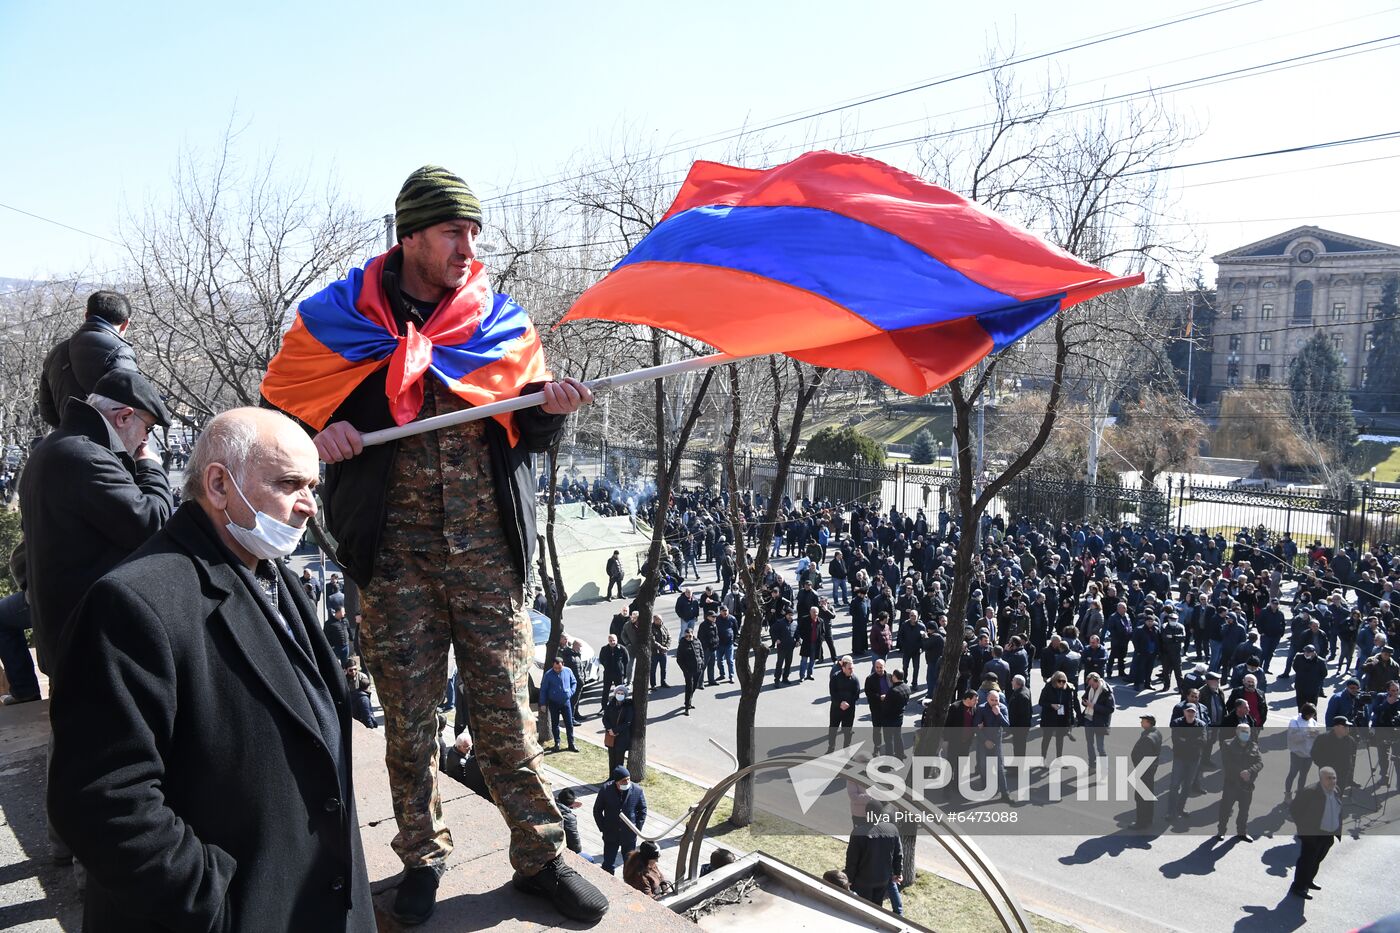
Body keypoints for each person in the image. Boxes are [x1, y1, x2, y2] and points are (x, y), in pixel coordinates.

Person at [260, 165, 604, 925]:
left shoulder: (497, 319)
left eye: (474, 233)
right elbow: (278, 417)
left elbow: (527, 429)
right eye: (454, 231)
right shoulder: (338, 321)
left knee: (508, 714)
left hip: (488, 557)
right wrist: (320, 436)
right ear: (409, 234)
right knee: (410, 720)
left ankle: (541, 855)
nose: (467, 246)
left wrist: (552, 410)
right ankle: (421, 855)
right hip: (395, 562)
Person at [47, 408, 374, 932]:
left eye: (313, 484)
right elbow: (103, 801)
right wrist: (219, 908)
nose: (309, 505)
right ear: (219, 484)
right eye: (290, 483)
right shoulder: (133, 603)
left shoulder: (271, 575)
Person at [18, 369, 173, 678]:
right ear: (125, 417)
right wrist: (150, 468)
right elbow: (153, 523)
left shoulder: (56, 447)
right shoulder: (87, 457)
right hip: (90, 645)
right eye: (148, 428)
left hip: (69, 634)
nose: (145, 439)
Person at [37, 290, 140, 428]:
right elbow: (134, 406)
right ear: (126, 323)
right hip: (106, 445)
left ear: (86, 315)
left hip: (67, 441)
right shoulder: (120, 351)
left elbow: (47, 412)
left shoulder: (56, 352)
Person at [1289, 767, 1343, 900]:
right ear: (1321, 779)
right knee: (1307, 860)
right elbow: (1295, 810)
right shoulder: (1310, 792)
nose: (1332, 781)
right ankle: (1298, 886)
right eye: (1328, 778)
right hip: (1314, 834)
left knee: (1317, 859)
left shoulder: (1336, 791)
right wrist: (1304, 830)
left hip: (1328, 834)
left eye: (1334, 778)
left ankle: (1308, 880)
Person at [844, 803, 903, 914]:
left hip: (862, 881)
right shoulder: (892, 829)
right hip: (883, 879)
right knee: (876, 909)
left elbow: (852, 859)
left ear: (866, 814)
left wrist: (849, 878)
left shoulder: (858, 832)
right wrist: (898, 872)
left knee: (861, 911)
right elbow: (898, 854)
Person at [594, 766, 647, 876]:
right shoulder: (606, 790)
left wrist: (636, 828)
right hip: (611, 834)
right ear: (616, 782)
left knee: (629, 864)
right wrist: (603, 827)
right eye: (623, 780)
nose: (627, 782)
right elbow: (597, 810)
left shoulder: (637, 790)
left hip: (629, 835)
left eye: (628, 779)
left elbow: (642, 810)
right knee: (608, 863)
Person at [1215, 722, 1263, 842]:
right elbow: (1227, 762)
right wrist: (1242, 772)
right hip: (1232, 783)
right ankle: (1221, 831)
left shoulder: (1254, 745)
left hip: (1247, 784)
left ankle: (1242, 832)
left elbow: (1259, 763)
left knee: (1244, 810)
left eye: (1247, 732)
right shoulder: (1227, 744)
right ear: (1237, 732)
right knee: (1225, 808)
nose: (1245, 734)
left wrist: (1249, 772)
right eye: (1243, 732)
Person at [1167, 705, 1208, 820]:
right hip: (1180, 758)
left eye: (1193, 711)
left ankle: (1180, 808)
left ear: (1195, 713)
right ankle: (1171, 811)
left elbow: (1203, 741)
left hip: (1194, 759)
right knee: (1174, 785)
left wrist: (1185, 740)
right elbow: (1176, 740)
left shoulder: (1201, 724)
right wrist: (1194, 741)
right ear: (1184, 712)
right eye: (1188, 711)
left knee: (1187, 785)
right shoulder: (1177, 723)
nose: (1190, 713)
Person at [1131, 715, 1163, 829]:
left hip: (1144, 771)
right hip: (1151, 770)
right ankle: (1149, 818)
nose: (1141, 723)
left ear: (1149, 723)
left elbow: (1143, 758)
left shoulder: (1147, 738)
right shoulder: (1157, 733)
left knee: (1141, 798)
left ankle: (1141, 822)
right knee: (1148, 795)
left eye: (1143, 721)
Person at [540, 657, 578, 752]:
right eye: (555, 668)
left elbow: (574, 682)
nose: (557, 670)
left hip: (565, 702)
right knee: (555, 723)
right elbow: (543, 689)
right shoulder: (548, 674)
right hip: (554, 703)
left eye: (559, 668)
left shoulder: (568, 671)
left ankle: (571, 743)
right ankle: (557, 742)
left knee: (569, 724)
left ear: (563, 665)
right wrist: (543, 703)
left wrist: (570, 692)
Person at [1285, 703, 1322, 799]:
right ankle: (1288, 794)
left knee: (1303, 775)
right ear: (1305, 713)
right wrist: (1307, 733)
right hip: (1297, 754)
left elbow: (1315, 735)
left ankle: (1299, 794)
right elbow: (1292, 738)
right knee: (1292, 774)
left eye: (1313, 715)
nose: (1312, 717)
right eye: (1311, 714)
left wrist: (1316, 735)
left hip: (1308, 755)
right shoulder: (1295, 722)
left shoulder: (1312, 721)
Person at [1080, 671, 1115, 770]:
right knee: (1089, 744)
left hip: (1100, 722)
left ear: (1098, 681)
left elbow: (1110, 709)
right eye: (1089, 684)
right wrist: (1084, 702)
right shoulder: (1090, 688)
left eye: (1092, 684)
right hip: (1089, 719)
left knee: (1100, 747)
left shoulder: (1106, 691)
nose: (1091, 686)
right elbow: (1084, 697)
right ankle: (1092, 763)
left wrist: (1094, 706)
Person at [828, 655, 860, 753]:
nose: (851, 670)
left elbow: (856, 694)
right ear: (843, 668)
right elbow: (832, 692)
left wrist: (848, 703)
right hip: (836, 708)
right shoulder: (835, 677)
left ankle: (846, 749)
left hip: (849, 710)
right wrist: (840, 702)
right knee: (833, 729)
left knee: (847, 731)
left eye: (852, 668)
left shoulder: (855, 679)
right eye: (849, 668)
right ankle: (831, 748)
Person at [601, 685, 635, 775]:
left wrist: (615, 731)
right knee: (611, 759)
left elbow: (627, 722)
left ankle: (617, 779)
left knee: (619, 761)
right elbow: (605, 719)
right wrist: (609, 729)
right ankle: (611, 777)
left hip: (622, 737)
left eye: (622, 693)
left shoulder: (628, 706)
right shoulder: (611, 704)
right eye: (618, 693)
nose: (620, 695)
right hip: (611, 736)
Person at [598, 633, 629, 715]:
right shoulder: (604, 649)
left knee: (620, 691)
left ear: (617, 640)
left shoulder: (621, 648)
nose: (612, 642)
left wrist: (623, 671)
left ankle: (620, 707)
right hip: (608, 673)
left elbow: (626, 660)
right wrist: (606, 665)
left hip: (618, 674)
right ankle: (604, 707)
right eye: (610, 641)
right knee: (605, 691)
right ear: (608, 641)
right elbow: (601, 659)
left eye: (613, 640)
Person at [676, 627, 705, 714]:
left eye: (689, 636)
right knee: (689, 687)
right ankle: (687, 707)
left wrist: (702, 663)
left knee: (694, 686)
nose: (688, 638)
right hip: (688, 670)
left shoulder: (697, 641)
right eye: (686, 636)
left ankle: (688, 701)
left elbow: (701, 652)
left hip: (698, 669)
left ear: (692, 634)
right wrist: (685, 670)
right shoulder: (682, 644)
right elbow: (679, 659)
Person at [1292, 644, 1328, 712]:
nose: (1307, 654)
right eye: (1305, 652)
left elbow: (1324, 674)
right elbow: (1295, 667)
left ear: (1314, 652)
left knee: (1311, 709)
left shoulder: (1320, 661)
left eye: (1309, 652)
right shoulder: (1299, 657)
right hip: (1300, 687)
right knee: (1301, 708)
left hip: (1312, 689)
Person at [346, 657, 378, 728]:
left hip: (361, 700)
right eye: (351, 670)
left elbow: (367, 690)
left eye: (355, 669)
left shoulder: (362, 676)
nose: (353, 672)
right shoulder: (344, 679)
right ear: (346, 670)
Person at [556, 788, 584, 855]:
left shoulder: (548, 805)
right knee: (589, 858)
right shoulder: (569, 818)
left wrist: (569, 807)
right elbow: (574, 841)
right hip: (559, 849)